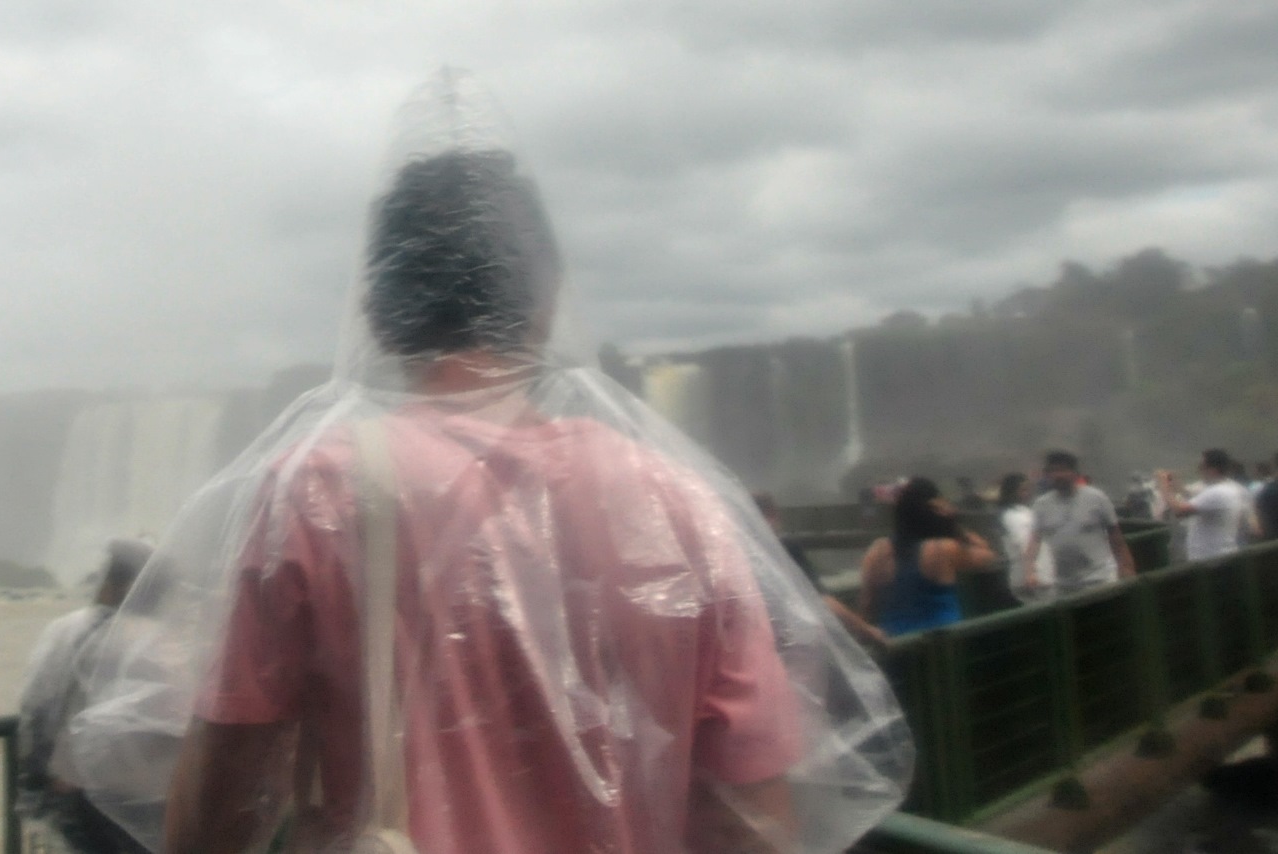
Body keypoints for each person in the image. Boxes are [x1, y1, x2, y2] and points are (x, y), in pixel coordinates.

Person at [68, 72, 908, 854]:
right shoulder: (679, 507)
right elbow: (755, 817)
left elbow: (225, 787)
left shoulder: (312, 494)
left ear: (376, 310)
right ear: (547, 299)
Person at [17, 539, 153, 854]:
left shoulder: (61, 629)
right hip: (100, 793)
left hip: (64, 787)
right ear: (128, 585)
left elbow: (36, 707)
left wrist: (39, 774)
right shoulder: (125, 636)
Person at [858, 477, 998, 635]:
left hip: (895, 645)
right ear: (934, 510)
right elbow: (988, 555)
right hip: (943, 646)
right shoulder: (942, 549)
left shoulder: (877, 550)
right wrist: (953, 524)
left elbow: (867, 605)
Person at [754, 492, 886, 650]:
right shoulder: (783, 548)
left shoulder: (737, 554)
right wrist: (867, 629)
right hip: (792, 648)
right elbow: (822, 600)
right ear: (773, 513)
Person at [1024, 451, 1137, 596]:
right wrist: (1029, 572)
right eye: (1053, 471)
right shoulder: (1041, 505)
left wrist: (1127, 568)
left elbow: (1116, 537)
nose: (1058, 475)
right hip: (1064, 584)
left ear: (1075, 473)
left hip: (1100, 578)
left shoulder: (1096, 498)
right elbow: (1034, 541)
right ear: (1047, 475)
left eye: (1063, 470)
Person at [1158, 449, 1251, 562]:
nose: (1198, 470)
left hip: (1212, 561)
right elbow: (1197, 499)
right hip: (1215, 558)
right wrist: (1176, 486)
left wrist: (1163, 486)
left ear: (1213, 470)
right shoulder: (1227, 488)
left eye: (1201, 466)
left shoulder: (1218, 492)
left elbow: (1180, 511)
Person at [997, 473, 1054, 603]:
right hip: (1034, 578)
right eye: (1023, 489)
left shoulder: (1025, 512)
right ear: (1011, 492)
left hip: (1034, 576)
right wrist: (1032, 573)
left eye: (1028, 488)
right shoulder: (1014, 516)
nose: (1027, 493)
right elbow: (1025, 543)